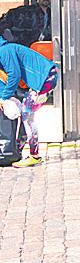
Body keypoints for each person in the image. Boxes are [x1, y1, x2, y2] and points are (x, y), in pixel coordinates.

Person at [0, 37, 59, 168]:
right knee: (26, 113)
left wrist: (4, 98)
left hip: (46, 78)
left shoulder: (4, 51)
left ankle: (34, 156)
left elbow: (14, 75)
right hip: (47, 77)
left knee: (27, 114)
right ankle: (19, 150)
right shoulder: (5, 50)